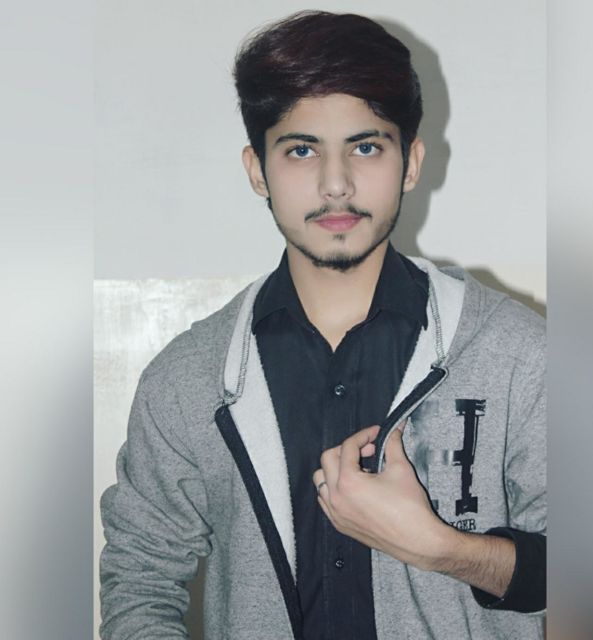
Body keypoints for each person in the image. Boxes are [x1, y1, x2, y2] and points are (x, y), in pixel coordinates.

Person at [99, 10, 546, 640]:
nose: (336, 185)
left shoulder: (517, 354)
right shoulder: (188, 379)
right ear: (257, 169)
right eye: (302, 150)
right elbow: (140, 582)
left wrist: (442, 548)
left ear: (410, 162)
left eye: (366, 147)